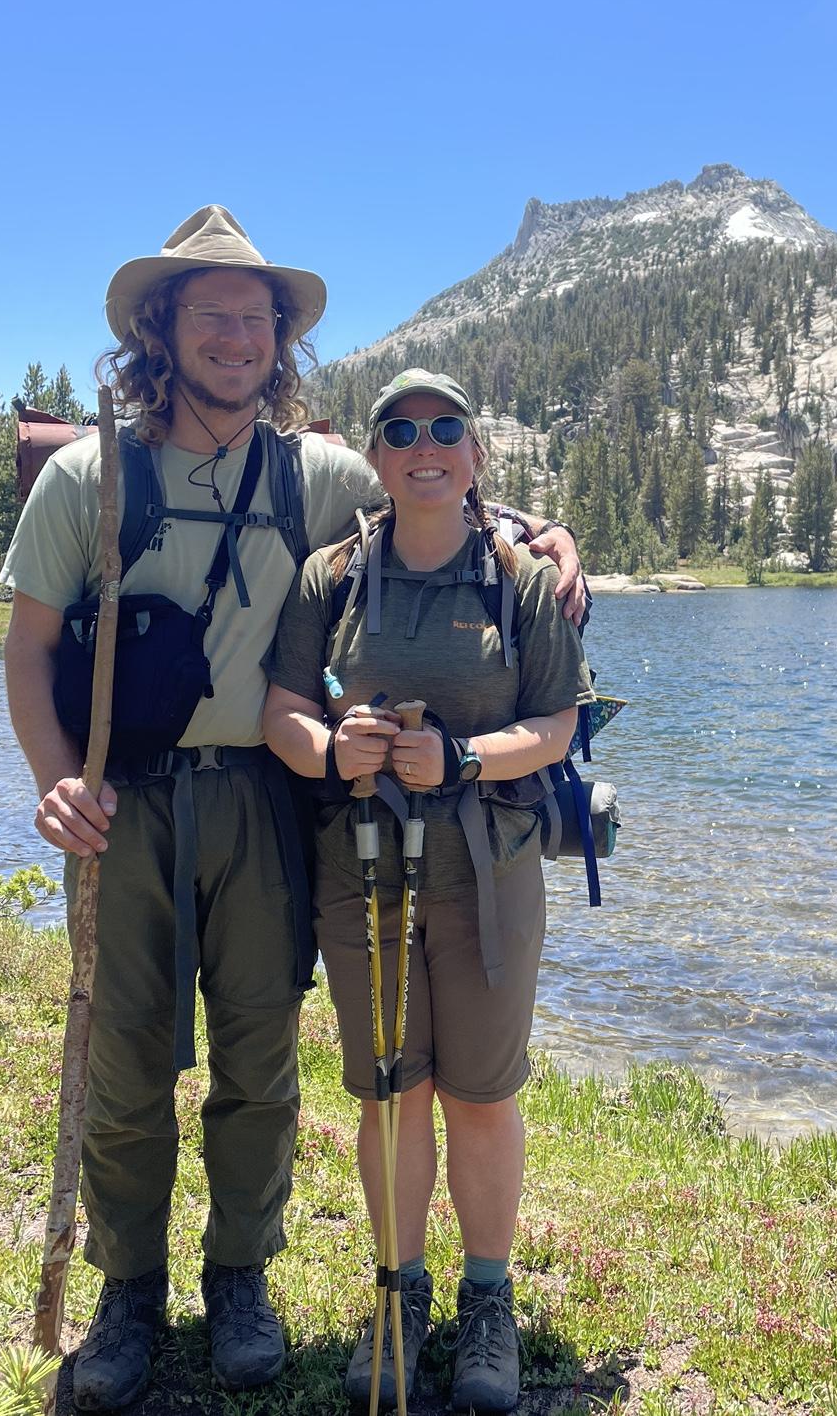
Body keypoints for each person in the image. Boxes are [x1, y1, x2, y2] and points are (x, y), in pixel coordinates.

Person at [0, 209, 583, 1411]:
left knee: (259, 1057)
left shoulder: (311, 472)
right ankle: (127, 1294)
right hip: (127, 805)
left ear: (281, 341)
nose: (234, 336)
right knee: (125, 1059)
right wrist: (55, 778)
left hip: (262, 800)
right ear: (158, 328)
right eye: (208, 312)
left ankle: (241, 1278)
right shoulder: (85, 473)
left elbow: (429, 497)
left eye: (255, 318)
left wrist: (541, 528)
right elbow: (30, 644)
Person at [263, 367, 593, 1413]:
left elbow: (556, 727)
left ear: (475, 453)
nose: (425, 444)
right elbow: (282, 711)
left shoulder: (519, 579)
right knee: (392, 1093)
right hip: (360, 878)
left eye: (446, 428)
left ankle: (485, 1302)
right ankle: (398, 1295)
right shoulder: (333, 577)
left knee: (481, 1097)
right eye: (401, 429)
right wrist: (334, 748)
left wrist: (456, 760)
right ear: (376, 456)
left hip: (488, 878)